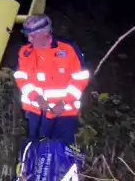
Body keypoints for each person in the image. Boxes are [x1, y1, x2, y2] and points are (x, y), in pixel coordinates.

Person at [12, 14, 90, 146]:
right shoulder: (25, 52)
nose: (29, 39)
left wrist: (64, 102)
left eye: (33, 35)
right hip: (37, 114)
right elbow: (21, 78)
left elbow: (80, 78)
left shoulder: (68, 49)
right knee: (37, 153)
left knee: (62, 153)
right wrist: (36, 98)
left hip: (65, 113)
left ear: (46, 32)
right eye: (28, 35)